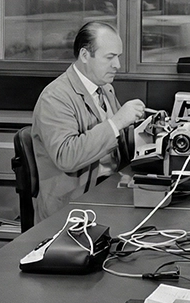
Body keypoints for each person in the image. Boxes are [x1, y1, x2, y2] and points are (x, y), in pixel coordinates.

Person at [31, 22, 147, 221]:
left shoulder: (105, 88)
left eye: (118, 57)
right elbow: (67, 157)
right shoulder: (55, 97)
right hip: (73, 208)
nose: (117, 65)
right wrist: (117, 121)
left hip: (110, 189)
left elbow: (118, 141)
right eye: (109, 57)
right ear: (85, 55)